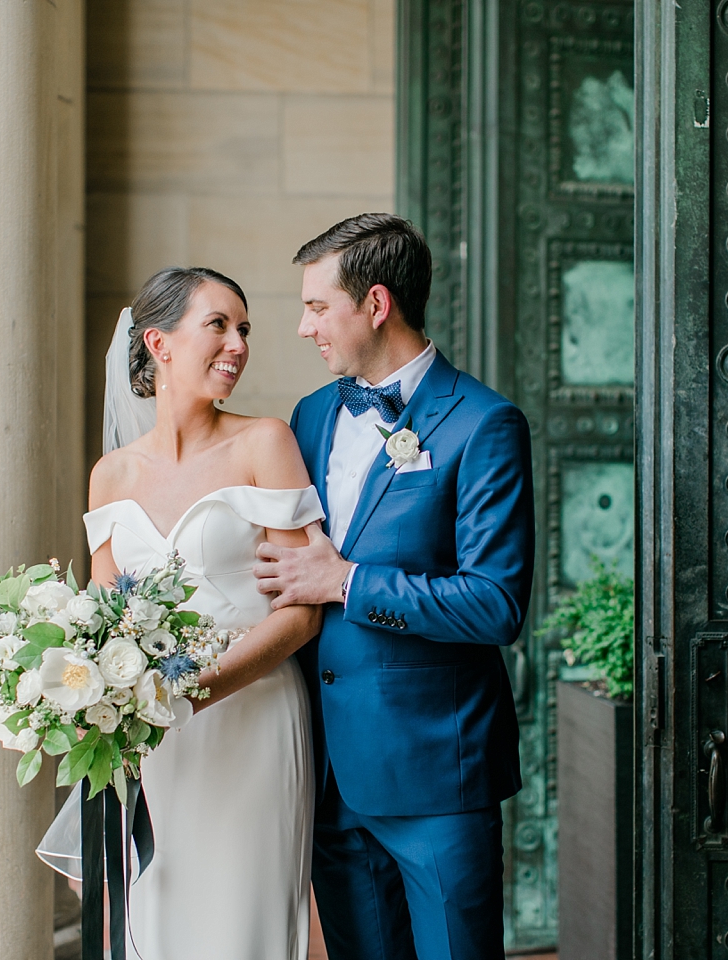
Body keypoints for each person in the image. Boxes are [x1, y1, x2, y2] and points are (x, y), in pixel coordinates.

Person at [254, 213, 536, 960]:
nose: (302, 326)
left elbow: (496, 604)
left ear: (375, 304)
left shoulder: (484, 424)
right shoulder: (310, 417)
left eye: (317, 306)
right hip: (327, 771)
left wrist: (347, 582)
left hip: (437, 772)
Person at [36, 266, 324, 960]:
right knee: (159, 920)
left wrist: (192, 692)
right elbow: (104, 625)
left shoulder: (265, 443)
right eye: (218, 324)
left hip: (251, 721)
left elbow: (302, 613)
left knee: (243, 920)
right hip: (154, 744)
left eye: (244, 328)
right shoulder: (111, 475)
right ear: (158, 344)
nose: (238, 344)